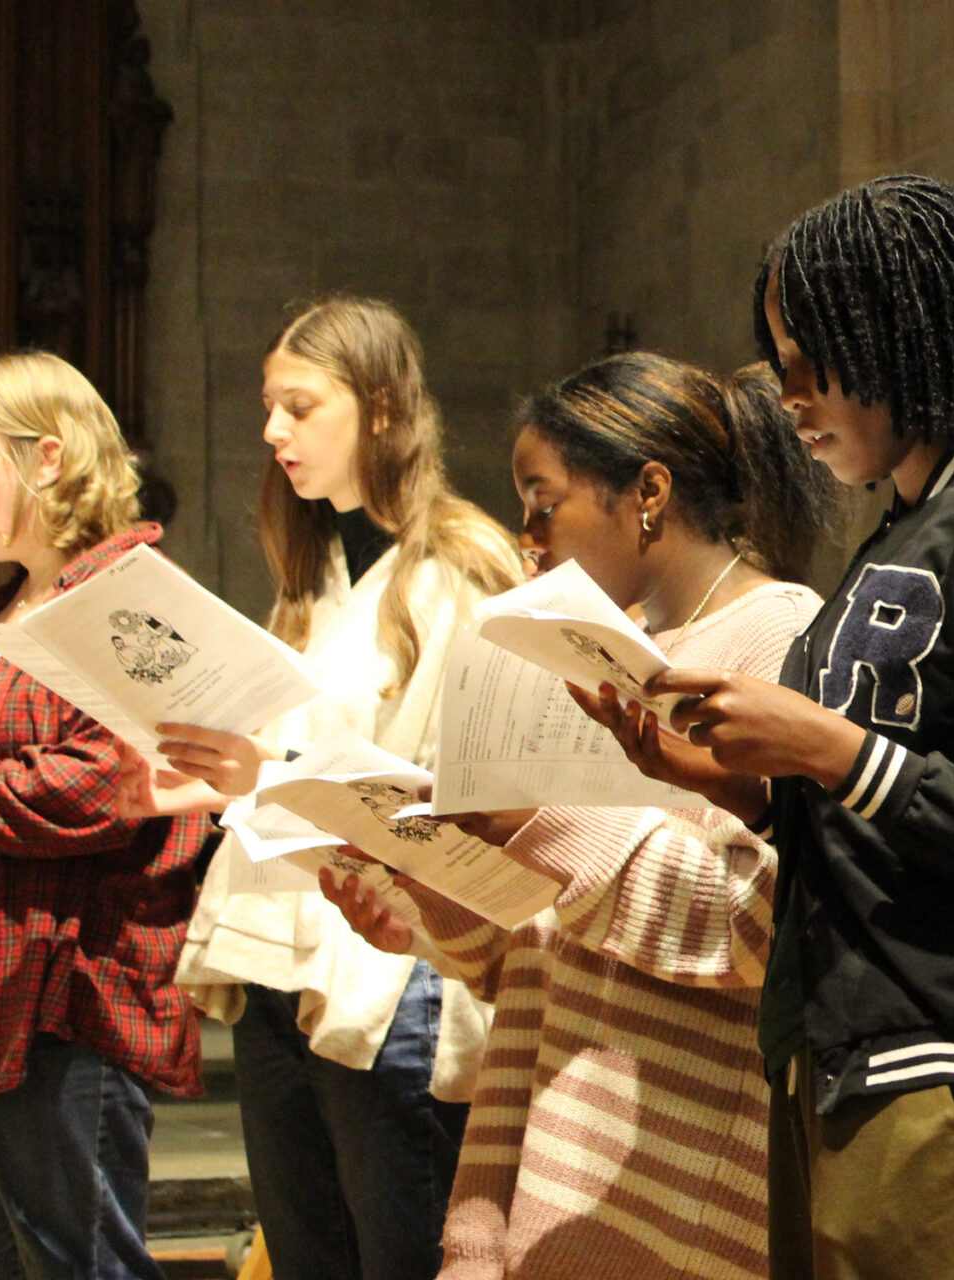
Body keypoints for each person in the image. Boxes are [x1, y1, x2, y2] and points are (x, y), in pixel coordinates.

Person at [590, 175, 954, 1280]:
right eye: (781, 357)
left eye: (813, 357)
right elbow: (886, 815)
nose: (788, 393)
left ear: (906, 337)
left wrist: (828, 746)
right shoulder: (913, 524)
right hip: (852, 1058)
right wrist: (724, 776)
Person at [318, 353, 829, 1280]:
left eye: (541, 500)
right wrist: (432, 897)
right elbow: (548, 955)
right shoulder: (595, 653)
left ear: (649, 492)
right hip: (540, 1164)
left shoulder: (780, 640)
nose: (526, 536)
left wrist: (541, 822)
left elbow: (763, 925)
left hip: (671, 1199)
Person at [164, 295, 521, 1280]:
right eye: (267, 408)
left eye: (299, 405)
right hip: (284, 960)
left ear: (380, 406)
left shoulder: (460, 564)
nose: (274, 430)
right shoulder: (311, 567)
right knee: (307, 1249)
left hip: (396, 965)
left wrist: (269, 772)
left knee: (397, 1254)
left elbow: (465, 793)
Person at [0, 353, 218, 1280]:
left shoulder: (131, 597)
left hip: (70, 994)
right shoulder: (4, 608)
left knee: (79, 1268)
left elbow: (100, 782)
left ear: (49, 458)